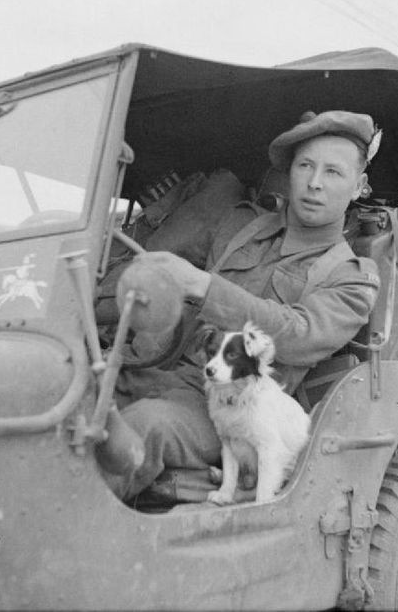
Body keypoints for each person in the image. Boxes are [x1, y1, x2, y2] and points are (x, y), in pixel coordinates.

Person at [108, 110, 381, 501]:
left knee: (134, 433)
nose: (315, 183)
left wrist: (202, 284)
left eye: (333, 172)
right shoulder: (240, 224)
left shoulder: (353, 277)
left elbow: (296, 334)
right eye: (305, 166)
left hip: (227, 409)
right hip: (154, 372)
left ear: (360, 186)